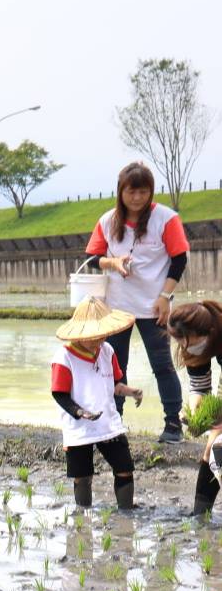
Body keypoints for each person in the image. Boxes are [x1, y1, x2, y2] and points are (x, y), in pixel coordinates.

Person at [84, 161, 187, 443]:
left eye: (143, 192)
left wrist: (165, 297)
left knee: (162, 364)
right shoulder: (107, 220)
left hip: (154, 306)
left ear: (150, 192)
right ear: (121, 192)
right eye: (131, 192)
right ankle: (114, 423)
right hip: (116, 307)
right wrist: (113, 261)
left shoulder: (166, 219)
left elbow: (179, 258)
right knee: (115, 367)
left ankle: (173, 425)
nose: (137, 198)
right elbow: (93, 258)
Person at [50, 297, 141, 510]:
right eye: (93, 336)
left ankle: (126, 512)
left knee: (125, 467)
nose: (98, 340)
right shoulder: (64, 358)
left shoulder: (107, 350)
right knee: (83, 476)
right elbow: (60, 394)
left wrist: (130, 391)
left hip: (108, 422)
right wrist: (80, 412)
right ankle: (83, 516)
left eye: (101, 334)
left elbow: (115, 384)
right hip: (79, 426)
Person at [166, 301, 222, 408]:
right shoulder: (188, 339)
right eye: (181, 343)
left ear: (210, 332)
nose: (187, 348)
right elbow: (200, 386)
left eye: (191, 344)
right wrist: (193, 410)